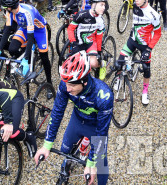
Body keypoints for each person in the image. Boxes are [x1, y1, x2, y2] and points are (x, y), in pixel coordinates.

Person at [34, 51, 113, 185]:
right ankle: (66, 169)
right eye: (66, 84)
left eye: (72, 85)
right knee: (65, 150)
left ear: (84, 82)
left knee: (100, 162)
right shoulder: (66, 84)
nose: (68, 89)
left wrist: (92, 162)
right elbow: (57, 112)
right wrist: (47, 144)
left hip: (94, 126)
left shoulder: (104, 96)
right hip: (77, 120)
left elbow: (101, 132)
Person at [0, 0, 53, 91]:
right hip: (24, 28)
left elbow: (31, 37)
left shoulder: (27, 13)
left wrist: (26, 59)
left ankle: (49, 83)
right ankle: (25, 58)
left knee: (44, 57)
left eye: (5, 7)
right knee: (12, 49)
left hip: (39, 30)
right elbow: (6, 31)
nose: (4, 9)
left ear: (10, 7)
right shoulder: (10, 12)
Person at [114, 0, 161, 105]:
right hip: (132, 40)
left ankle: (145, 91)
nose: (136, 0)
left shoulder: (153, 14)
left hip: (145, 45)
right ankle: (119, 79)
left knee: (146, 69)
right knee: (119, 62)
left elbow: (157, 34)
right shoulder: (134, 7)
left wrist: (149, 49)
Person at [66, 0, 108, 79]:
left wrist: (99, 51)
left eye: (104, 5)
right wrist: (73, 42)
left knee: (93, 63)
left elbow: (99, 37)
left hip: (91, 43)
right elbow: (70, 29)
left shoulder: (100, 20)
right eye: (101, 5)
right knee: (74, 66)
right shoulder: (81, 15)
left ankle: (102, 64)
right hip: (78, 43)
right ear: (93, 5)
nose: (104, 8)